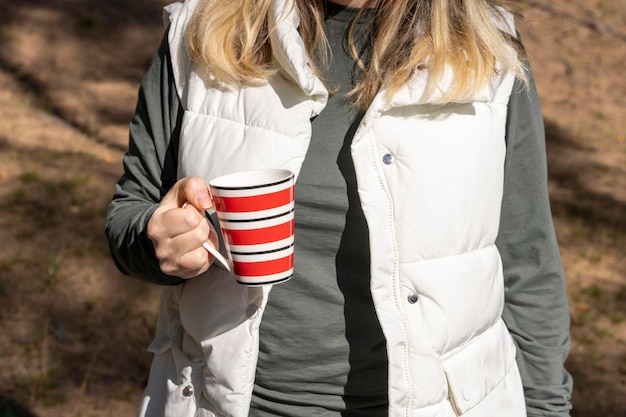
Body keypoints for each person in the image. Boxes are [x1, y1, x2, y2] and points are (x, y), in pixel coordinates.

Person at [105, 0, 573, 416]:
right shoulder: (199, 31)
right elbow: (131, 209)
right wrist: (158, 241)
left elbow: (527, 263)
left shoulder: (489, 49)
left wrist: (547, 408)